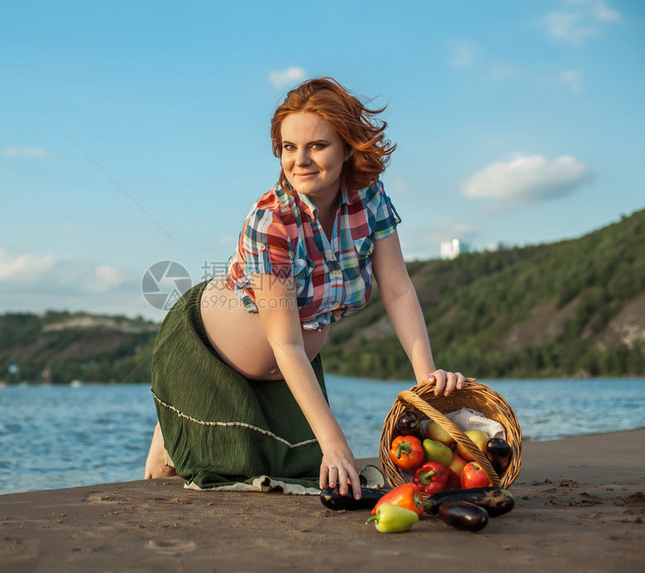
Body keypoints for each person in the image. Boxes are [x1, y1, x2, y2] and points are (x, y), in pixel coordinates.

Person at [144, 77, 467, 499]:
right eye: (289, 147)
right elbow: (287, 344)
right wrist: (336, 442)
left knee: (295, 476)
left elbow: (399, 290)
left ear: (348, 146)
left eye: (317, 145)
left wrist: (427, 379)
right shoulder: (271, 221)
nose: (300, 160)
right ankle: (172, 426)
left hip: (288, 371)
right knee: (166, 483)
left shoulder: (370, 198)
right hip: (207, 354)